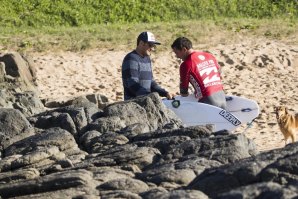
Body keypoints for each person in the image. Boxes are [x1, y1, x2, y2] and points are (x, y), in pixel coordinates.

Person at [171, 37, 227, 109]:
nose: (177, 56)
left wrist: (184, 94)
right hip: (221, 96)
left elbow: (184, 91)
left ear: (184, 49)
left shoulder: (186, 64)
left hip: (207, 100)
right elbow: (219, 72)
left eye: (177, 53)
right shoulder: (209, 56)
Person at [122, 31, 173, 100]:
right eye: (150, 45)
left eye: (154, 46)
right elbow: (133, 85)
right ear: (141, 43)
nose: (152, 48)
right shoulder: (131, 59)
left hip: (146, 101)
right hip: (133, 104)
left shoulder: (147, 59)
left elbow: (151, 82)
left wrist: (165, 93)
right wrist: (150, 97)